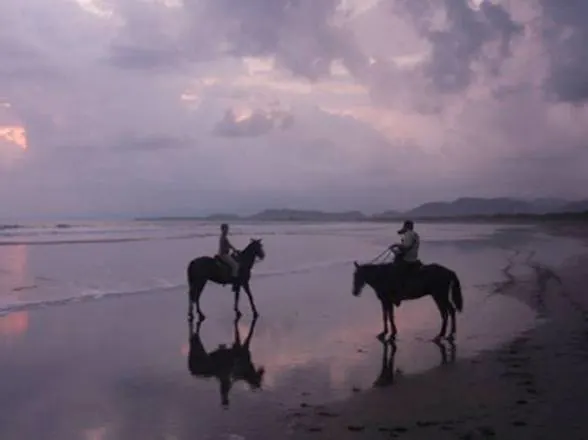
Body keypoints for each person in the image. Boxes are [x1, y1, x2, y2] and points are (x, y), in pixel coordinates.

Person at [389, 220, 421, 306]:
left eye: (404, 226)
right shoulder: (414, 234)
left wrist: (395, 245)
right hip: (413, 257)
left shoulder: (409, 234)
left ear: (406, 227)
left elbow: (406, 247)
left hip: (407, 259)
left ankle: (398, 296)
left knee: (394, 274)